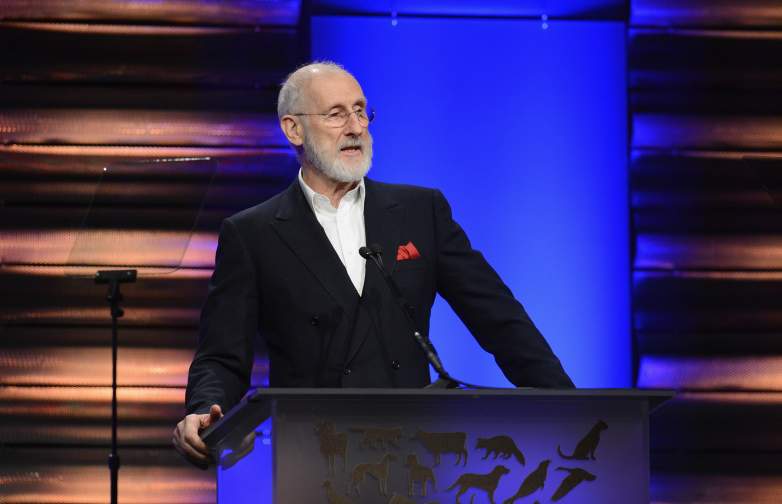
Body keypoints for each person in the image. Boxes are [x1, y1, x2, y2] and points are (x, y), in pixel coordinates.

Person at [172, 61, 573, 467]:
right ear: (294, 129)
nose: (356, 127)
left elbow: (500, 319)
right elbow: (221, 356)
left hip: (412, 450)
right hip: (314, 456)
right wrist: (205, 409)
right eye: (336, 114)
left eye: (361, 111)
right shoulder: (253, 233)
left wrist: (569, 406)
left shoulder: (420, 212)